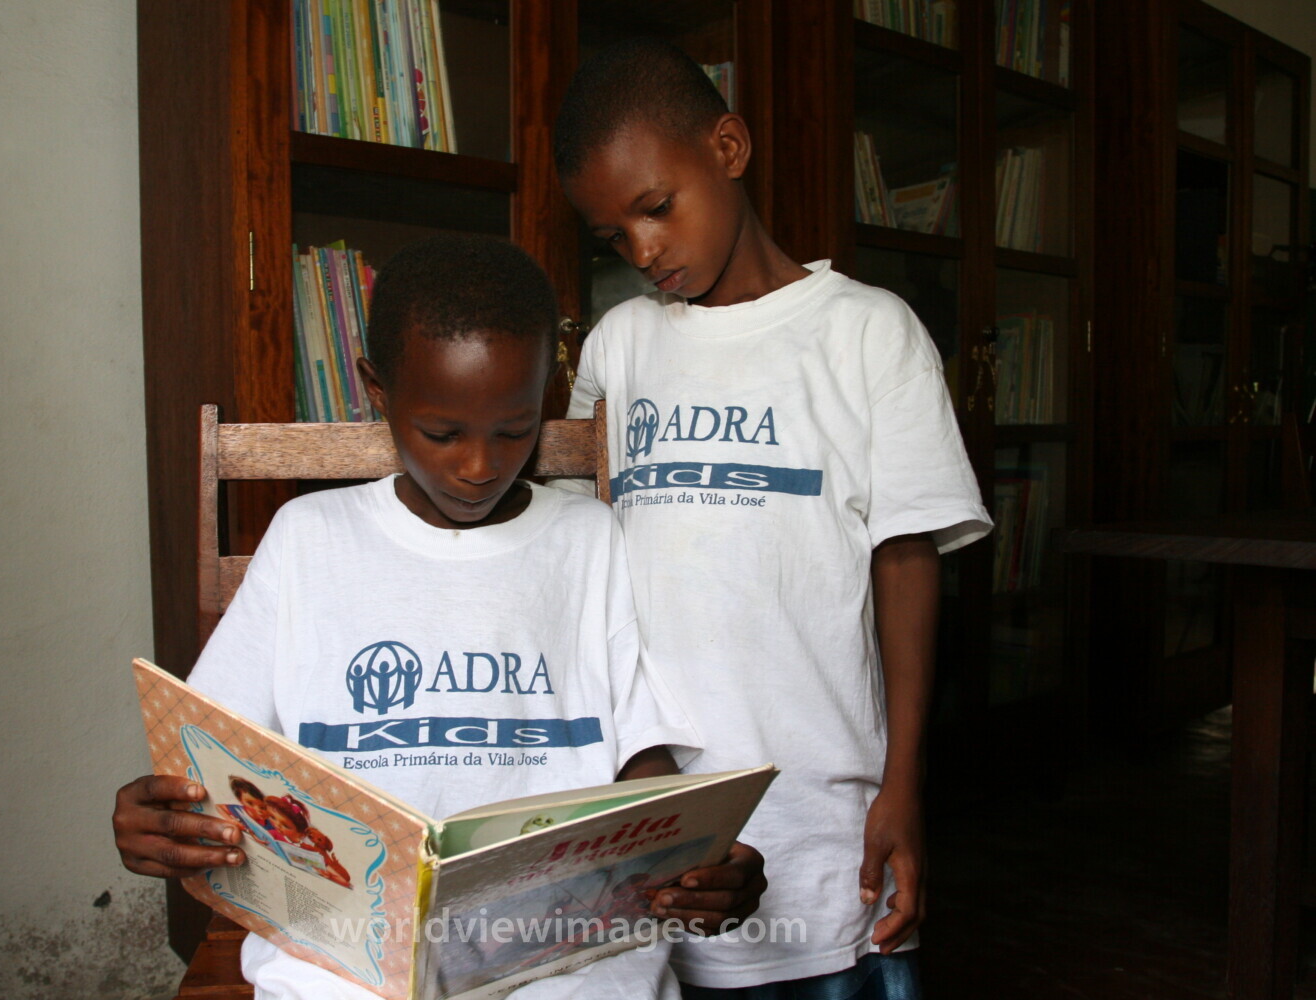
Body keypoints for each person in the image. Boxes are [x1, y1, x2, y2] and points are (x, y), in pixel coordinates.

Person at [112, 235, 768, 1000]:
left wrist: (701, 853)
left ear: (547, 395)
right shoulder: (308, 538)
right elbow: (209, 756)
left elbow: (640, 757)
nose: (480, 466)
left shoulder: (587, 542)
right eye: (443, 433)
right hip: (346, 971)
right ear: (378, 391)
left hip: (564, 967)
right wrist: (157, 816)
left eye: (515, 430)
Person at [552, 39, 993, 999]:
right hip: (653, 823)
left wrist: (903, 786)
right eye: (612, 238)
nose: (643, 251)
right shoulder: (619, 350)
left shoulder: (868, 333)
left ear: (728, 146)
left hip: (823, 824)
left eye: (655, 207)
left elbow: (906, 561)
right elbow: (574, 571)